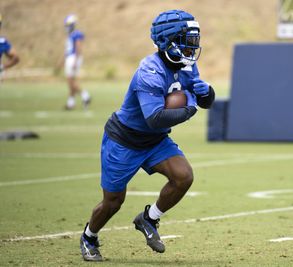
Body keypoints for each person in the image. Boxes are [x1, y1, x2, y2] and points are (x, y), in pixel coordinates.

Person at [79, 10, 215, 261]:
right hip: (124, 140)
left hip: (154, 140)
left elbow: (204, 100)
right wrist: (190, 107)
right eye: (187, 38)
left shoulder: (187, 64)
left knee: (183, 176)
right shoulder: (149, 70)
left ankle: (149, 218)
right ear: (168, 40)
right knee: (113, 202)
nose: (192, 46)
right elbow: (155, 117)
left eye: (194, 39)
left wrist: (207, 93)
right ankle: (89, 236)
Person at [62, 14, 90, 110]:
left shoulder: (76, 34)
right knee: (71, 81)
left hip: (73, 58)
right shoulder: (70, 35)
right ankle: (71, 103)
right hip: (71, 58)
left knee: (70, 81)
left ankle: (85, 95)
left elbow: (78, 47)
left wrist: (75, 60)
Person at [0, 14, 19, 78]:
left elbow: (16, 58)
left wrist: (2, 67)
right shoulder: (2, 42)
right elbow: (16, 58)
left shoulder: (2, 42)